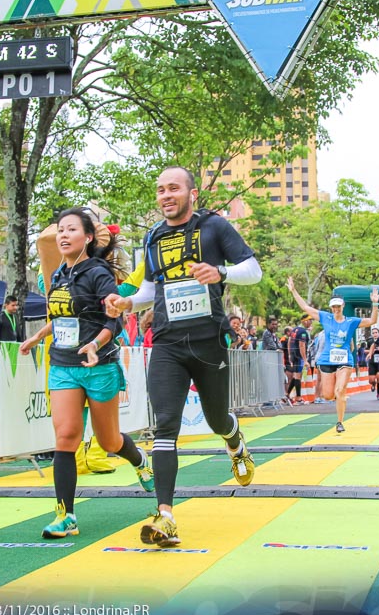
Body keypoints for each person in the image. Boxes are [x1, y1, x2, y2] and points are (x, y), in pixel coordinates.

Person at [104, 166, 263, 548]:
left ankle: (234, 438)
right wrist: (127, 302)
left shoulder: (214, 227)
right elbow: (148, 289)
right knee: (165, 427)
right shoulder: (153, 236)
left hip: (208, 341)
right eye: (160, 190)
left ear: (192, 193)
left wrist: (220, 271)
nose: (165, 196)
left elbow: (253, 271)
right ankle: (166, 515)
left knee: (215, 417)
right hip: (167, 344)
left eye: (173, 188)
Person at [20, 207, 154, 539]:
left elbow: (113, 320)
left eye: (71, 230)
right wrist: (38, 336)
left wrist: (95, 344)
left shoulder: (98, 274)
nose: (63, 236)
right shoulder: (59, 276)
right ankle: (66, 515)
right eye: (60, 231)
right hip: (64, 365)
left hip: (99, 365)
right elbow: (65, 317)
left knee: (109, 440)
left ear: (88, 238)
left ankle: (139, 460)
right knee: (65, 437)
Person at [287, 278, 379, 432]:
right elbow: (305, 307)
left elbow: (372, 320)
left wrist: (375, 304)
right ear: (331, 308)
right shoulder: (326, 317)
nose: (336, 309)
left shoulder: (351, 321)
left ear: (343, 306)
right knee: (328, 395)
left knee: (340, 390)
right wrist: (293, 290)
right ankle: (337, 401)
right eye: (333, 306)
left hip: (344, 360)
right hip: (327, 360)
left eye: (338, 306)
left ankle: (340, 422)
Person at [287, 315, 312, 404]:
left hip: (294, 355)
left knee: (295, 376)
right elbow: (302, 345)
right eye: (310, 320)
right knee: (298, 376)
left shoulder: (295, 329)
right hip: (298, 356)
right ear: (305, 321)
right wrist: (305, 360)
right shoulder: (303, 332)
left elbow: (289, 341)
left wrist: (290, 354)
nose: (311, 322)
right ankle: (298, 397)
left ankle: (287, 394)